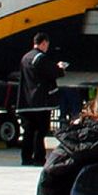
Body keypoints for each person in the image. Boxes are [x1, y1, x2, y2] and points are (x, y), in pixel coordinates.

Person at [19, 32, 67, 166]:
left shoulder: (25, 57)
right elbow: (51, 73)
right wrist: (60, 68)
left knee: (28, 131)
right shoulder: (40, 58)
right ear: (44, 43)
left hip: (27, 101)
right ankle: (39, 158)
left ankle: (26, 157)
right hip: (41, 101)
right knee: (40, 131)